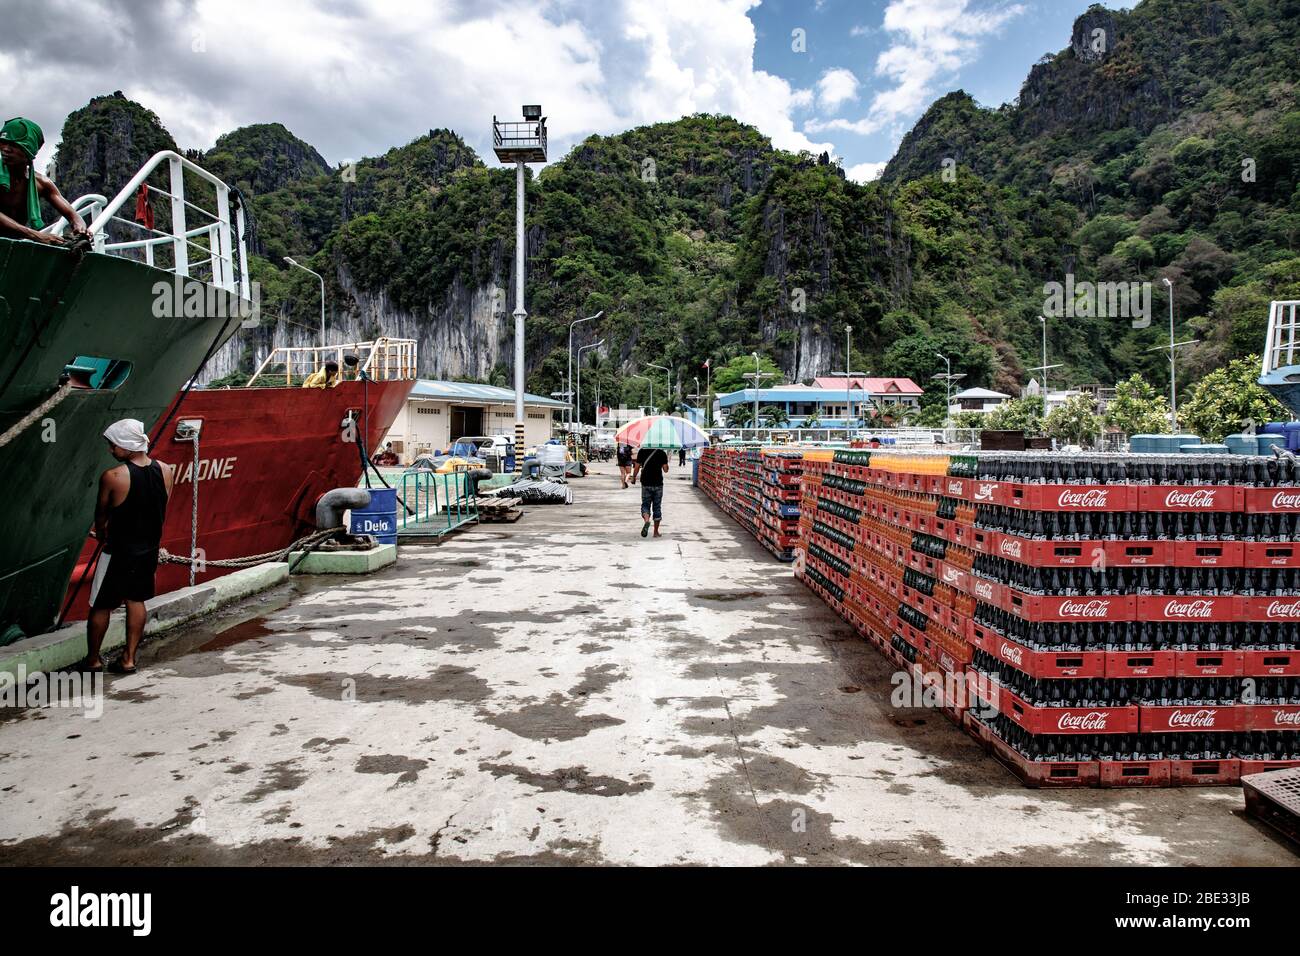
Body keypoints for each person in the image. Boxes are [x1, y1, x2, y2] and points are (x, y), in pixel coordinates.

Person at [85, 420, 174, 674]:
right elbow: (162, 507)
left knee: (101, 605)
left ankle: (93, 660)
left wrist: (102, 534)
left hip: (118, 551)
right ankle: (129, 659)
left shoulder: (113, 476)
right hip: (147, 549)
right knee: (137, 601)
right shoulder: (166, 470)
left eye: (113, 445)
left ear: (126, 446)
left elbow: (101, 515)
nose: (111, 450)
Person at [0, 117, 88, 243]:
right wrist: (37, 235)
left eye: (13, 145)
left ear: (28, 151)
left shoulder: (41, 183)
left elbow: (74, 217)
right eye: (3, 142)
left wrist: (80, 227)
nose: (6, 149)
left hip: (12, 245)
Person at [632, 444, 669, 538]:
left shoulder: (642, 451)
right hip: (658, 484)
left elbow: (636, 467)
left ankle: (647, 520)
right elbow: (665, 470)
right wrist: (665, 461)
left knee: (645, 505)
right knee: (657, 507)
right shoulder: (661, 453)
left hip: (645, 483)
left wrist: (634, 478)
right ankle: (656, 532)